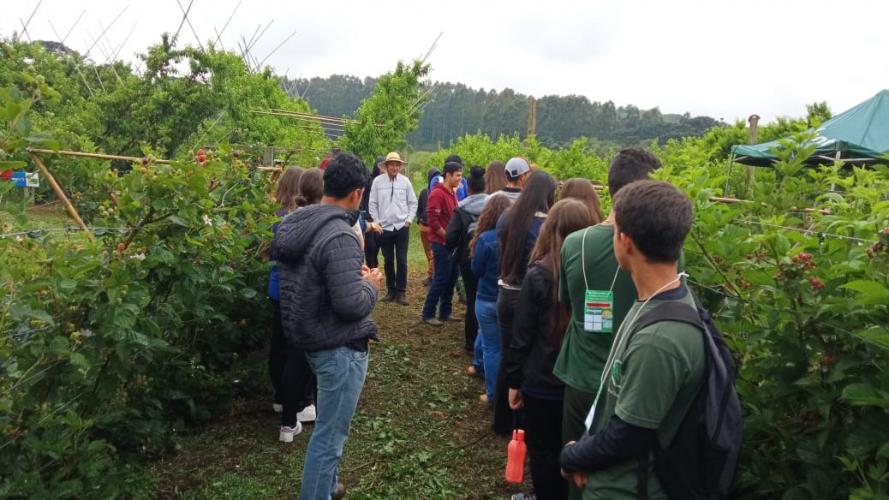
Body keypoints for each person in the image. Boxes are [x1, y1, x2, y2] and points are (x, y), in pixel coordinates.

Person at [559, 180, 701, 500]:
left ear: (624, 241)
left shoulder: (659, 341)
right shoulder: (660, 299)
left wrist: (573, 455)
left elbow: (628, 433)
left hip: (626, 489)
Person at [552, 148, 662, 500]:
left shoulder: (575, 244)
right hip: (636, 385)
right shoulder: (663, 249)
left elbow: (566, 305)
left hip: (582, 378)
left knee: (576, 471)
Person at [273, 153, 382, 500]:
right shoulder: (341, 235)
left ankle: (328, 486)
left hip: (311, 338)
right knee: (329, 439)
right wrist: (371, 285)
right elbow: (351, 305)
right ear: (357, 193)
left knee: (329, 433)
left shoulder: (298, 222)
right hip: (338, 349)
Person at [503, 199, 596, 500]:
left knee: (543, 451)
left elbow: (523, 335)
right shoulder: (594, 275)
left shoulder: (539, 274)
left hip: (542, 381)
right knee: (576, 451)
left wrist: (514, 382)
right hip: (580, 382)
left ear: (549, 229)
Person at [493, 170, 557, 435]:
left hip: (505, 292)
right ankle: (520, 421)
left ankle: (501, 420)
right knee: (525, 357)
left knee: (508, 354)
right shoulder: (544, 224)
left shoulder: (508, 216)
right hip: (526, 294)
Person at [276, 168, 326, 438]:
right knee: (319, 363)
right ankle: (313, 409)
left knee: (293, 360)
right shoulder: (321, 224)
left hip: (290, 300)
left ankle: (287, 422)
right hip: (314, 303)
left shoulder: (287, 222)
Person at [470, 195, 514, 404]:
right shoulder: (516, 237)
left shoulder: (485, 238)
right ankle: (510, 392)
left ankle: (493, 394)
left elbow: (475, 269)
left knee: (491, 347)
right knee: (507, 347)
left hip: (485, 298)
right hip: (509, 298)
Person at [268, 166, 303, 418]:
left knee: (277, 344)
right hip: (292, 289)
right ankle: (294, 403)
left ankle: (279, 395)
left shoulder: (272, 214)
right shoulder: (292, 218)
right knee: (294, 349)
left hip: (274, 287)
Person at [445, 165, 487, 355]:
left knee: (472, 298)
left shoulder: (461, 208)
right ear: (485, 187)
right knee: (487, 295)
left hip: (468, 257)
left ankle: (470, 342)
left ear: (468, 188)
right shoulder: (494, 204)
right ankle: (486, 337)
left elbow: (450, 237)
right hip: (490, 257)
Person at [368, 152, 418, 305]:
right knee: (388, 260)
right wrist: (377, 223)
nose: (395, 167)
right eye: (392, 164)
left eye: (397, 165)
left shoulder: (405, 182)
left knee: (402, 260)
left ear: (400, 167)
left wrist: (409, 220)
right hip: (384, 228)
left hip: (402, 226)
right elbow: (372, 203)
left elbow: (413, 203)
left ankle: (401, 292)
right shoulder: (377, 182)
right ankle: (391, 291)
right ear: (387, 166)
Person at [422, 161, 463, 326]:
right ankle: (428, 313)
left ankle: (445, 312)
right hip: (441, 243)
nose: (460, 178)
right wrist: (448, 238)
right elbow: (433, 221)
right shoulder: (437, 194)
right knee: (441, 278)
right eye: (458, 175)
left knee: (452, 277)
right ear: (448, 175)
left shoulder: (452, 193)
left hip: (451, 244)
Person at [416, 167, 442, 286]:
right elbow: (419, 208)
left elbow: (419, 210)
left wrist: (420, 219)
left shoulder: (429, 191)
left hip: (429, 226)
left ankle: (432, 276)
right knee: (430, 252)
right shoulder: (427, 192)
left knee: (431, 253)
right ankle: (433, 274)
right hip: (426, 226)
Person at [361, 156, 384, 268]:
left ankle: (374, 262)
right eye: (380, 166)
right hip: (368, 215)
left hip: (380, 217)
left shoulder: (387, 182)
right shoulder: (369, 180)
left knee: (378, 242)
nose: (382, 169)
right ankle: (371, 266)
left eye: (384, 166)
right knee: (370, 244)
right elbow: (364, 197)